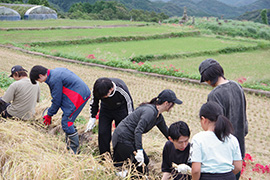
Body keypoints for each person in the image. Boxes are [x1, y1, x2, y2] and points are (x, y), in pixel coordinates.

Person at [112, 89, 183, 174]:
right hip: (122, 138)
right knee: (140, 166)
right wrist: (139, 150)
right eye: (172, 104)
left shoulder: (158, 116)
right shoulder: (149, 112)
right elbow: (138, 130)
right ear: (166, 103)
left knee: (144, 161)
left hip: (130, 139)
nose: (173, 107)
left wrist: (179, 144)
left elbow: (167, 134)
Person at [199, 58, 248, 179]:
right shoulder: (238, 87)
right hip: (238, 149)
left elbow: (214, 127)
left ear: (208, 78)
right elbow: (244, 123)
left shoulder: (215, 95)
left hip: (221, 154)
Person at [29, 65, 91, 154]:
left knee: (66, 122)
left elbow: (56, 101)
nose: (41, 82)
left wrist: (49, 115)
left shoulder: (54, 80)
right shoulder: (55, 72)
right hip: (80, 92)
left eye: (38, 80)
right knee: (67, 119)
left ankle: (74, 150)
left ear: (41, 76)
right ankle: (69, 144)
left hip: (79, 96)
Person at [190, 101, 242, 180]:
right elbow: (238, 167)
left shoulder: (198, 138)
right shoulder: (232, 139)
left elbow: (196, 170)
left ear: (203, 119)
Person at [85, 77, 134, 155]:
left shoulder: (121, 90)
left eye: (105, 96)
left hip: (121, 109)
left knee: (120, 134)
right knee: (103, 132)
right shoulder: (98, 89)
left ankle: (118, 157)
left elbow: (129, 105)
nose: (103, 98)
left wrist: (130, 122)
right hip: (106, 109)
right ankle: (104, 156)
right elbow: (94, 102)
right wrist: (93, 117)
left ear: (111, 89)